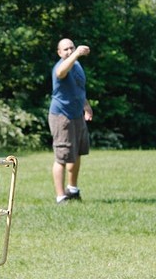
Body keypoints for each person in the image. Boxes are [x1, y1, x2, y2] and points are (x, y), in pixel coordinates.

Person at [48, 38, 93, 204]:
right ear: (59, 52)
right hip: (62, 116)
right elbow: (61, 73)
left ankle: (72, 190)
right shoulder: (61, 66)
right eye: (65, 49)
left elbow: (79, 89)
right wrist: (75, 54)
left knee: (77, 152)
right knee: (62, 156)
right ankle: (61, 197)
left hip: (76, 115)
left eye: (71, 48)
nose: (69, 51)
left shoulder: (77, 65)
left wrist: (86, 106)